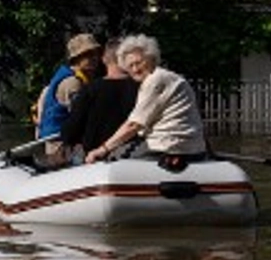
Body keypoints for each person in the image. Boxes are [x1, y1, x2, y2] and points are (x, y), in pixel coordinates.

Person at [86, 33, 207, 164]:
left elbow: (134, 124)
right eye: (130, 66)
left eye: (138, 63)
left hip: (168, 145)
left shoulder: (156, 80)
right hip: (189, 146)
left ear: (151, 58)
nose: (135, 69)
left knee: (111, 157)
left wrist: (103, 149)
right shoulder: (168, 77)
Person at [60, 39, 139, 162]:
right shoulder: (144, 89)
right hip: (137, 157)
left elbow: (70, 133)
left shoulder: (90, 90)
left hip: (96, 161)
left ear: (104, 59)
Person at [33, 32, 104, 165]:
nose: (94, 58)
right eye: (88, 55)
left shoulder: (80, 78)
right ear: (76, 58)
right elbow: (79, 116)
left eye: (96, 53)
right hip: (60, 143)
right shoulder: (72, 83)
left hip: (66, 140)